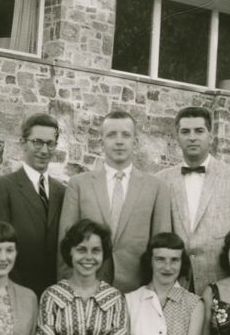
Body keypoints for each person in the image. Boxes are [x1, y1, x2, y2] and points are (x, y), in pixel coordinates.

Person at [58, 110, 171, 292]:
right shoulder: (79, 184)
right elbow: (65, 244)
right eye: (111, 135)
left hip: (138, 292)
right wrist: (67, 290)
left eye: (126, 135)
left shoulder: (156, 188)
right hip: (87, 289)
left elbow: (164, 248)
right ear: (101, 142)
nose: (119, 141)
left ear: (135, 142)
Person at [157, 106, 230, 292]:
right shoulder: (161, 180)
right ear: (177, 137)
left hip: (223, 283)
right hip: (176, 284)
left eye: (199, 131)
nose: (192, 137)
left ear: (210, 136)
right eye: (185, 132)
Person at [0, 113, 66, 297]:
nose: (44, 150)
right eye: (37, 142)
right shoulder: (1, 187)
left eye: (50, 143)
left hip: (53, 296)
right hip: (12, 294)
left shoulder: (62, 192)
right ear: (22, 143)